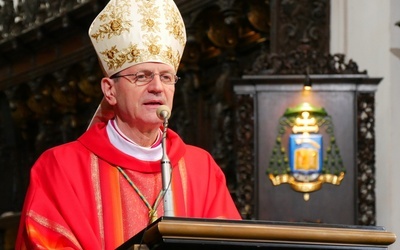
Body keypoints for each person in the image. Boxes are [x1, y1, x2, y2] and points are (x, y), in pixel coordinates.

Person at [15, 0, 241, 249]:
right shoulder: (60, 168)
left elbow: (229, 243)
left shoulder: (201, 169)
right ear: (109, 90)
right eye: (142, 76)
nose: (157, 87)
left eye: (166, 77)